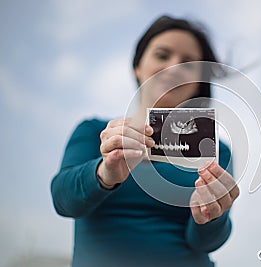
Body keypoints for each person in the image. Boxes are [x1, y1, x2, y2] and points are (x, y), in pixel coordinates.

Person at [51, 15, 239, 267]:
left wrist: (212, 215)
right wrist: (104, 172)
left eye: (188, 63)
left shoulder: (216, 151)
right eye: (163, 55)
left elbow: (205, 242)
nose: (174, 68)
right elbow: (64, 200)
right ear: (137, 66)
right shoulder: (93, 131)